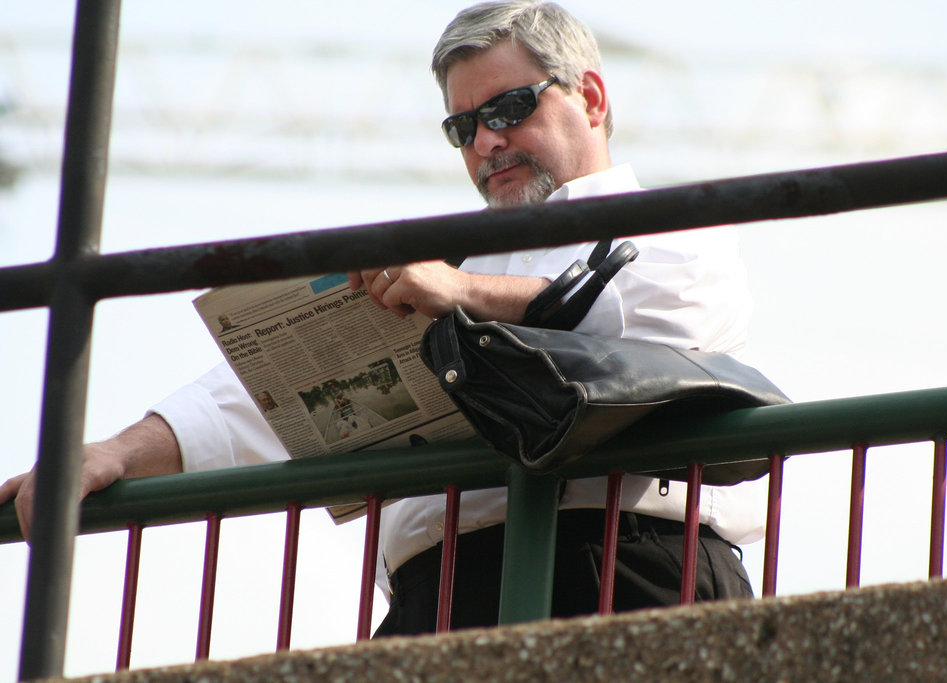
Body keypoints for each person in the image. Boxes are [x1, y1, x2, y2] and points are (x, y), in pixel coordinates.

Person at [1, 1, 765, 636]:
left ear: (591, 98)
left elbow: (649, 331)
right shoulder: (449, 270)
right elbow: (262, 396)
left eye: (508, 107)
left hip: (626, 573)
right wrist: (112, 452)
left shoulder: (672, 227)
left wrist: (452, 296)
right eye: (463, 128)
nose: (488, 141)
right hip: (440, 600)